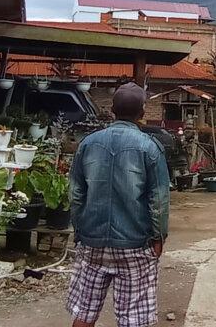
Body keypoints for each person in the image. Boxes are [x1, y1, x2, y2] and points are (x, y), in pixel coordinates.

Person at [66, 83, 170, 327]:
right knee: (133, 319)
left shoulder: (88, 143)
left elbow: (75, 193)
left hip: (92, 241)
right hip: (135, 243)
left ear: (112, 110)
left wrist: (79, 231)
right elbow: (159, 200)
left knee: (84, 312)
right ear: (142, 112)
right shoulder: (150, 147)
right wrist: (158, 237)